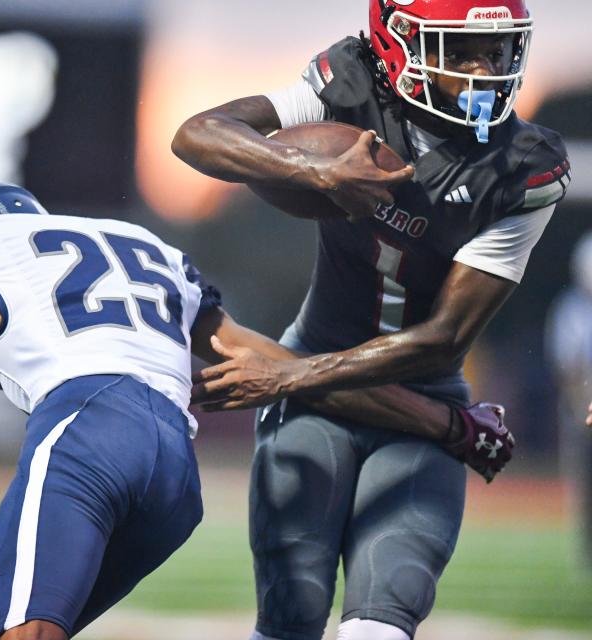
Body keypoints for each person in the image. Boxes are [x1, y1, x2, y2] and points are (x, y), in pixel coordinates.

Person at [0, 182, 512, 640]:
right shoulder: (140, 248)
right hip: (172, 478)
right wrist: (447, 421)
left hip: (86, 430)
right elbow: (292, 372)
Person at [172, 1, 568, 639]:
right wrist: (317, 170)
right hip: (325, 393)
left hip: (411, 392)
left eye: (494, 50)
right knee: (290, 614)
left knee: (382, 620)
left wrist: (285, 378)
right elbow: (196, 133)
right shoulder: (352, 82)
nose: (483, 70)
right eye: (459, 49)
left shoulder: (520, 167)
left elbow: (442, 341)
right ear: (398, 45)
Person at [546, 231, 592, 572]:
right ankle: (587, 553)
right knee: (585, 485)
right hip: (582, 411)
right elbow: (567, 366)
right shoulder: (571, 308)